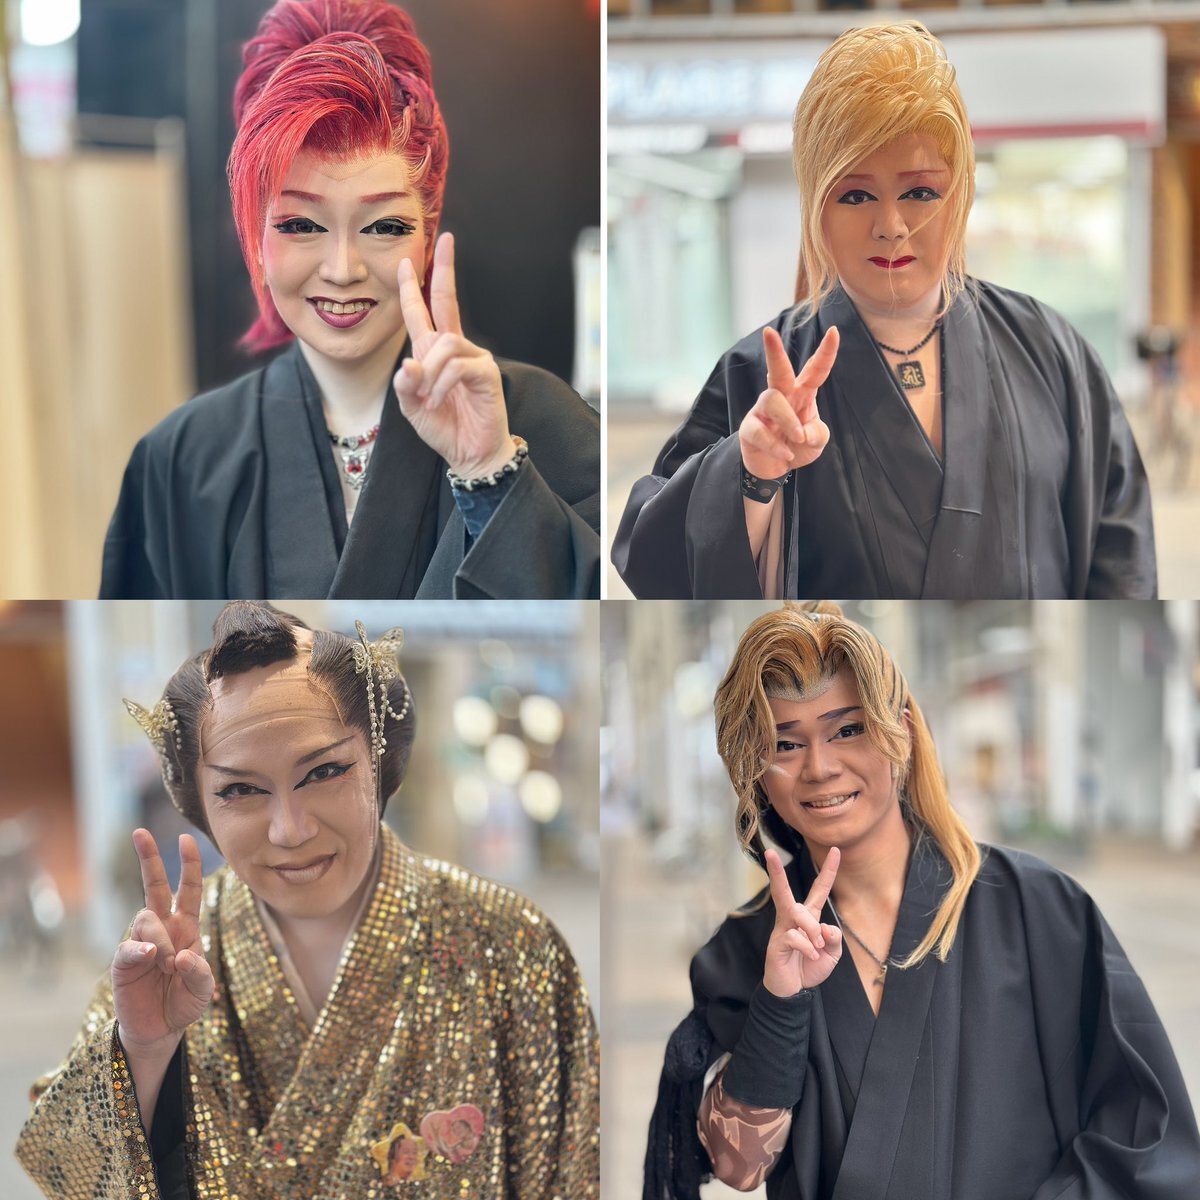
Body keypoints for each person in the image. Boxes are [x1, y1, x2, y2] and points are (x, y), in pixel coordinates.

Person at [16, 602, 599, 1199]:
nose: (290, 830)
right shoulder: (167, 959)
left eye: (323, 772)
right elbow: (68, 1165)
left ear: (379, 762)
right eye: (241, 789)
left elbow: (572, 1171)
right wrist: (143, 1053)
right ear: (198, 805)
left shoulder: (510, 943)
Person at [644, 602, 1199, 1199]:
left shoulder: (1038, 909)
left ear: (901, 732)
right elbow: (738, 1168)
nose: (820, 768)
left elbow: (1143, 1132)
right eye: (784, 744)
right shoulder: (748, 945)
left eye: (848, 729)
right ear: (754, 773)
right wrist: (781, 1001)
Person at [613, 22, 1155, 600]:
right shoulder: (756, 377)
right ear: (816, 207)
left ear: (959, 196)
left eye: (920, 192)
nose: (891, 226)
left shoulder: (1051, 352)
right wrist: (751, 477)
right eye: (856, 195)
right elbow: (654, 562)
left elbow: (1122, 557)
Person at [100, 0, 600, 600]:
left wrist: (489, 471)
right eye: (299, 225)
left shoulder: (545, 423)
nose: (343, 270)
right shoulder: (178, 461)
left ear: (427, 235)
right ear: (253, 236)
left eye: (384, 226)